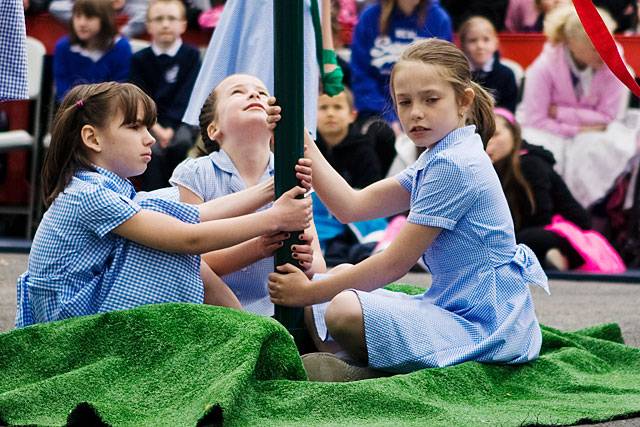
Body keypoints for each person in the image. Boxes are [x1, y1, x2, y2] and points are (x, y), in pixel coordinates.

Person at [268, 38, 549, 376]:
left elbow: (393, 264)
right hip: (451, 308)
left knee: (340, 307)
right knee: (338, 277)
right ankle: (353, 363)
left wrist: (307, 292)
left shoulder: (455, 164)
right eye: (404, 102)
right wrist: (301, 139)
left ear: (464, 101)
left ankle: (362, 374)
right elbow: (352, 206)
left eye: (431, 100)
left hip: (487, 326)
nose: (416, 113)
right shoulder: (440, 153)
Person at [15, 82, 313, 327]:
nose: (150, 140)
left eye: (149, 128)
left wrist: (271, 190)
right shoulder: (89, 195)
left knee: (172, 242)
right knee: (174, 253)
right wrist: (274, 219)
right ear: (92, 138)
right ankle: (249, 336)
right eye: (134, 127)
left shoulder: (103, 188)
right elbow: (188, 236)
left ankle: (248, 334)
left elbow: (195, 215)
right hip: (70, 323)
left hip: (80, 308)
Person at [170, 74, 326, 316]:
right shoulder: (194, 172)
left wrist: (305, 261)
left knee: (339, 280)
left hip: (277, 306)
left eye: (263, 93)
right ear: (214, 129)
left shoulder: (294, 173)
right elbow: (192, 262)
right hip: (211, 309)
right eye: (237, 92)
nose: (254, 95)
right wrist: (259, 247)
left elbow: (319, 265)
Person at [519, 4, 637, 207]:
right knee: (540, 148)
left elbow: (609, 118)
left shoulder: (617, 65)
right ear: (571, 44)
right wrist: (578, 128)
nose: (604, 53)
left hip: (596, 133)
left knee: (601, 148)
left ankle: (592, 212)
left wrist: (560, 112)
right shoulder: (541, 68)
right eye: (595, 48)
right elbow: (535, 120)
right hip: (548, 131)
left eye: (607, 44)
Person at [488, 108, 591, 270]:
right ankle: (546, 259)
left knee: (524, 239)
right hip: (530, 233)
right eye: (482, 136)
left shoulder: (530, 164)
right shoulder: (492, 167)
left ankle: (558, 256)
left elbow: (541, 218)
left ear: (514, 135)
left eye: (495, 134)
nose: (487, 142)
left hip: (570, 235)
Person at [350, 0, 453, 134]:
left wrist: (413, 112)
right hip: (375, 111)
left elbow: (442, 76)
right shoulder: (370, 17)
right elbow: (361, 74)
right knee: (381, 134)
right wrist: (386, 114)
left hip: (424, 108)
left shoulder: (438, 19)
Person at [129, 0, 201, 190]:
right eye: (159, 19)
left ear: (183, 24)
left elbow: (187, 95)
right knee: (150, 150)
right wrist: (157, 128)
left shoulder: (192, 56)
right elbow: (139, 97)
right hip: (149, 123)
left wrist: (169, 129)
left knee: (182, 143)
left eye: (172, 18)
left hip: (182, 122)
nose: (165, 24)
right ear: (148, 25)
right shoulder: (139, 59)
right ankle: (153, 203)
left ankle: (181, 198)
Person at [53, 0, 132, 103]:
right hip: (73, 109)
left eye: (89, 17)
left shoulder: (121, 47)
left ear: (104, 19)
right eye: (78, 16)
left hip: (107, 111)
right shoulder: (63, 47)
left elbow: (120, 89)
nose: (82, 23)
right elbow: (62, 88)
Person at [459, 16, 518, 113]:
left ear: (496, 43)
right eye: (472, 40)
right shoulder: (458, 74)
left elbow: (509, 113)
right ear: (463, 45)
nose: (480, 46)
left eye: (486, 40)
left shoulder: (507, 75)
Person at [49, 0, 149, 38]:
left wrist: (122, 34)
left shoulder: (137, 4)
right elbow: (56, 7)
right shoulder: (64, 46)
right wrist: (93, 10)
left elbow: (146, 13)